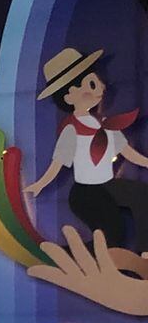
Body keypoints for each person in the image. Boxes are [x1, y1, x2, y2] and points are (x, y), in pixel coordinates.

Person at [24, 47, 148, 249]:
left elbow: (127, 152)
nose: (101, 86)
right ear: (70, 96)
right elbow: (59, 163)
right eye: (92, 83)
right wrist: (40, 184)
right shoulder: (71, 130)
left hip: (107, 185)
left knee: (142, 196)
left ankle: (144, 252)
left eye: (98, 81)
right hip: (85, 193)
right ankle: (97, 255)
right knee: (111, 226)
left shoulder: (105, 125)